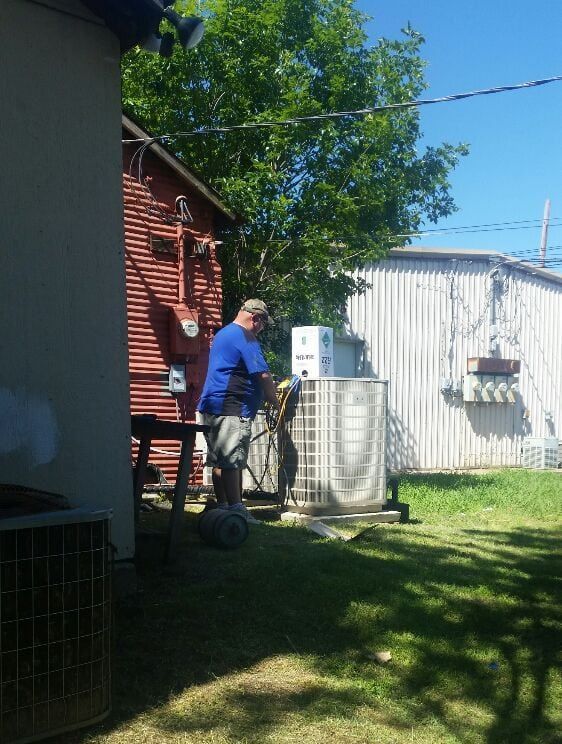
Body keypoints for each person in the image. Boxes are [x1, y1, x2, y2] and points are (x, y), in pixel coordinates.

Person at [197, 299, 279, 523]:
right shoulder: (246, 336)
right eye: (263, 323)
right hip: (231, 407)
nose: (262, 329)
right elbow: (262, 373)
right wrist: (275, 400)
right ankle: (237, 509)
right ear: (255, 318)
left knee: (219, 460)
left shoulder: (224, 333)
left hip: (211, 406)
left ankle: (222, 506)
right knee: (232, 460)